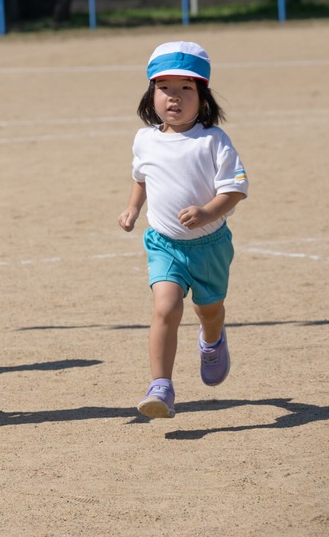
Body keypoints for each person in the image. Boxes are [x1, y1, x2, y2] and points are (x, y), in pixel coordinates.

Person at [118, 41, 248, 419]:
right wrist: (131, 208)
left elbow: (235, 189)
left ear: (203, 98)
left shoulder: (214, 141)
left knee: (209, 310)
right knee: (166, 307)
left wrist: (208, 211)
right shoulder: (145, 138)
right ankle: (161, 385)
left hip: (209, 246)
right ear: (150, 94)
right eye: (164, 88)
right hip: (164, 244)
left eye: (185, 89)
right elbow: (141, 177)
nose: (173, 97)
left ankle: (212, 339)